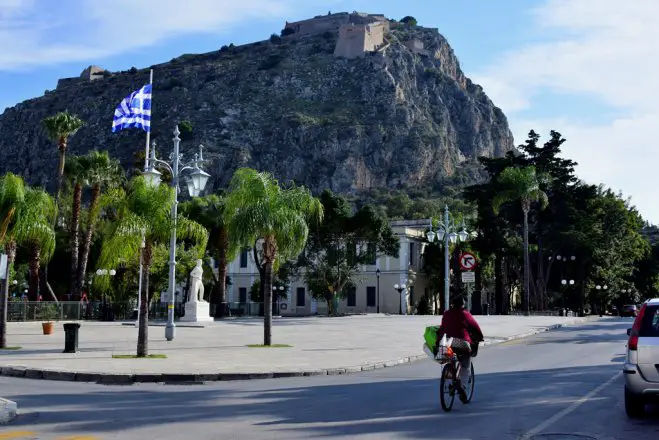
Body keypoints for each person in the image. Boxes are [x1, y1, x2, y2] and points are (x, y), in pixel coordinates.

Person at [437, 296, 484, 388]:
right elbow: (475, 327)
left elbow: (442, 328)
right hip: (461, 342)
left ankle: (449, 374)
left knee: (449, 358)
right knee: (466, 361)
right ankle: (463, 385)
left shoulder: (446, 314)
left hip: (445, 342)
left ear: (452, 304)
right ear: (463, 304)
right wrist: (480, 337)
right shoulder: (465, 314)